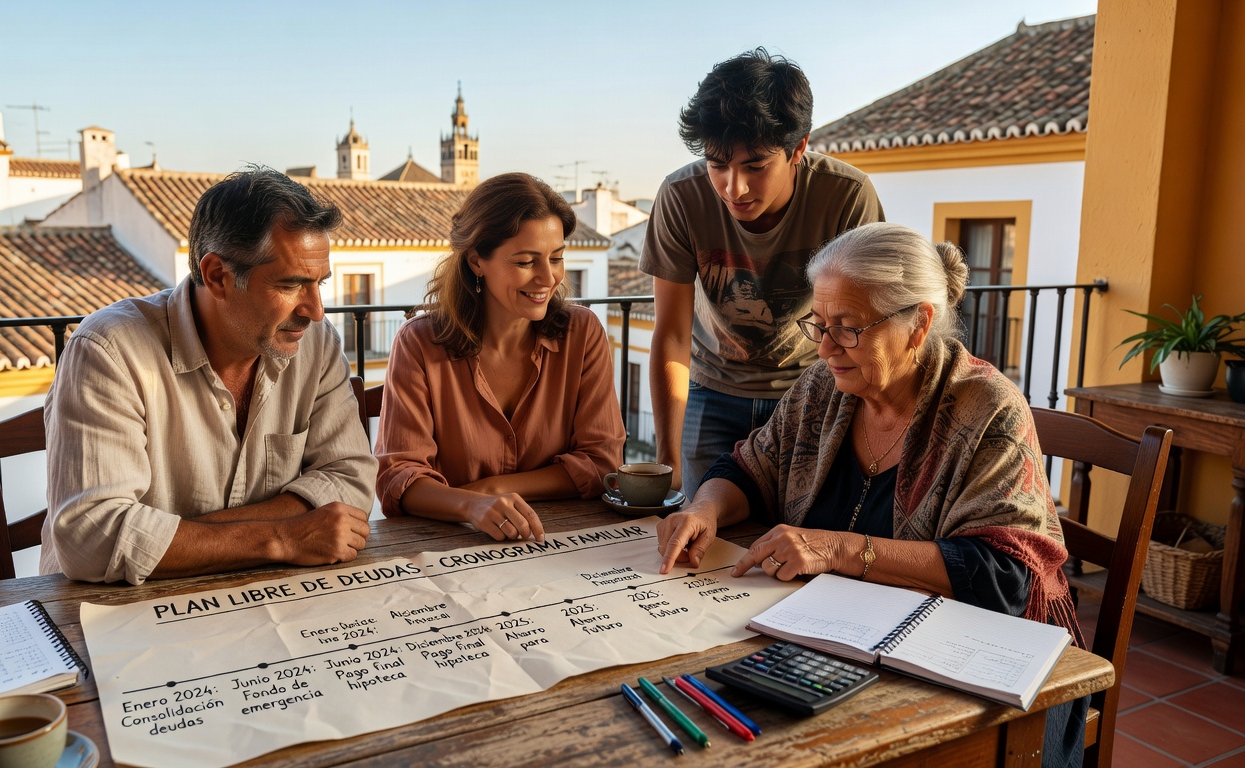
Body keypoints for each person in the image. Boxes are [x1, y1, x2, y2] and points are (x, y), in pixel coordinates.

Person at [656, 222, 1086, 768]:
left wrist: (837, 549)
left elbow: (1002, 576)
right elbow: (749, 467)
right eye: (819, 324)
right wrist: (704, 508)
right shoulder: (825, 386)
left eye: (848, 328)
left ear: (917, 324)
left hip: (982, 671)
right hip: (842, 646)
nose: (826, 347)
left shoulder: (985, 410)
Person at [41, 168, 375, 584]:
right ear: (217, 275)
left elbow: (352, 480)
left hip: (268, 592)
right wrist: (282, 537)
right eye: (292, 285)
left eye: (319, 283)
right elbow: (92, 537)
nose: (316, 311)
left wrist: (183, 540)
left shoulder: (316, 344)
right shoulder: (109, 351)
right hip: (112, 609)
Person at [641, 48, 885, 494]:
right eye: (717, 165)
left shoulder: (846, 196)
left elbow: (865, 324)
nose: (733, 188)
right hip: (711, 389)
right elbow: (671, 333)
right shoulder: (681, 196)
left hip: (813, 389)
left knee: (800, 523)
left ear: (798, 148)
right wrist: (667, 456)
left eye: (755, 166)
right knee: (703, 521)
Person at [374, 173, 624, 541]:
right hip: (452, 544)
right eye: (525, 262)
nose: (548, 278)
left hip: (560, 538)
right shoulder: (419, 343)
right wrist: (470, 507)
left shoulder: (582, 332)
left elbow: (603, 462)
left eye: (556, 258)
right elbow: (399, 479)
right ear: (477, 261)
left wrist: (491, 490)